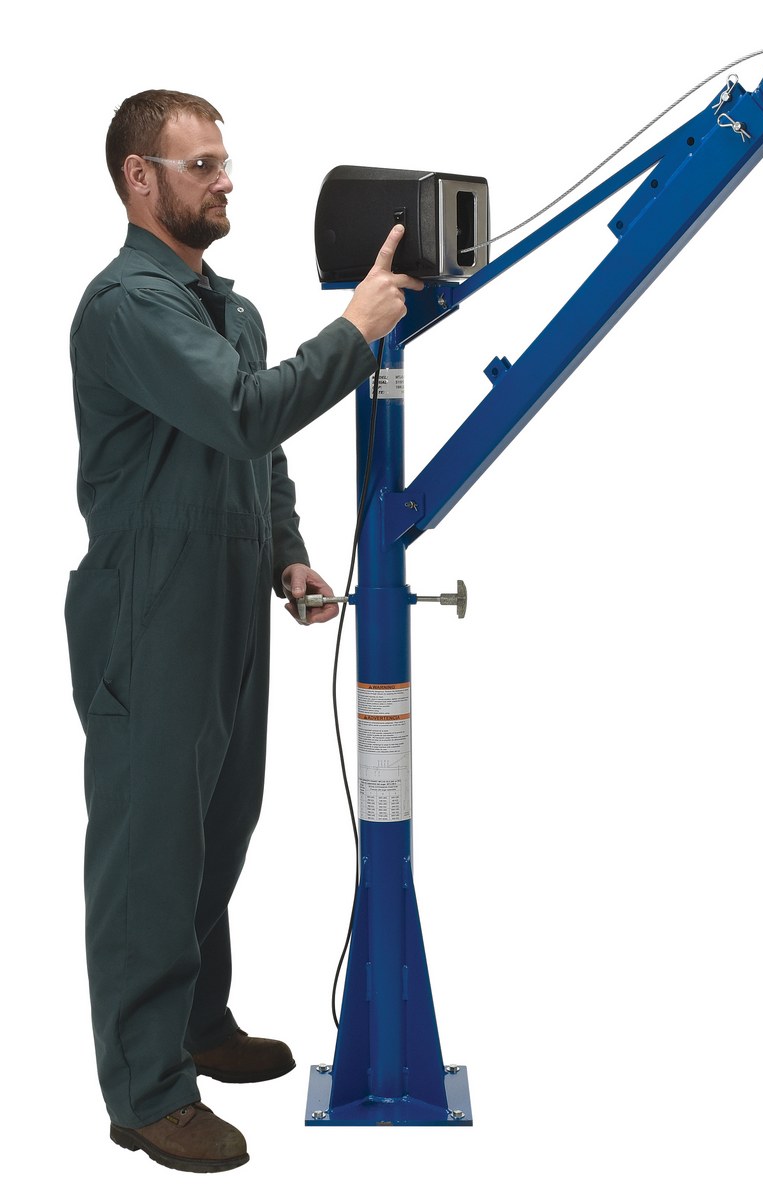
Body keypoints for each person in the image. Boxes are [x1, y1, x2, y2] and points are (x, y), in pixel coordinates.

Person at [65, 89, 422, 1174]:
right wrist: (355, 333)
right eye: (201, 165)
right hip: (149, 610)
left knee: (218, 828)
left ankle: (196, 1023)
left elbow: (259, 455)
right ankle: (146, 1092)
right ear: (139, 179)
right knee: (151, 851)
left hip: (228, 597)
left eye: (224, 161)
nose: (225, 181)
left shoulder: (232, 310)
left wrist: (286, 555)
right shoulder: (127, 306)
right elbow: (243, 409)